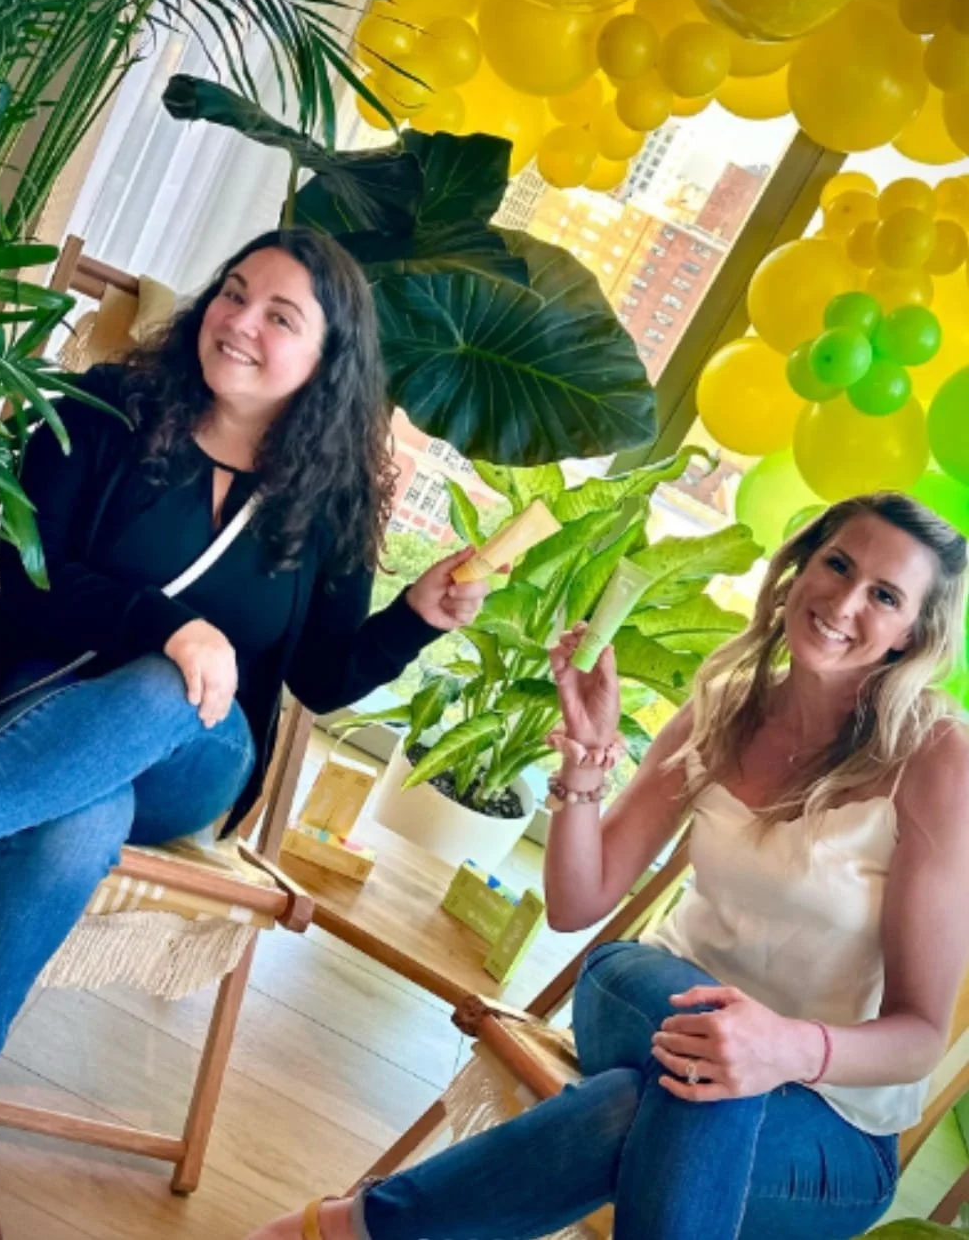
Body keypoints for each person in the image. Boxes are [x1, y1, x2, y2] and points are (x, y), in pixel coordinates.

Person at [0, 227, 492, 1240]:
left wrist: (412, 623)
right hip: (41, 713)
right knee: (81, 815)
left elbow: (319, 677)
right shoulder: (103, 412)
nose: (240, 322)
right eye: (234, 293)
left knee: (176, 698)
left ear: (326, 364)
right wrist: (166, 625)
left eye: (279, 316)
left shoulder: (333, 506)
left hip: (198, 761)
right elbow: (30, 574)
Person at [246, 492, 969, 1240]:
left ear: (912, 633)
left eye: (884, 595)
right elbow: (574, 903)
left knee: (659, 1099)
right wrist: (586, 764)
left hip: (832, 1121)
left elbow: (917, 1035)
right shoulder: (723, 707)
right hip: (646, 996)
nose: (845, 601)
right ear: (799, 568)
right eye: (837, 564)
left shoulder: (936, 758)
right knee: (707, 1052)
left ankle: (347, 1228)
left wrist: (784, 1048)